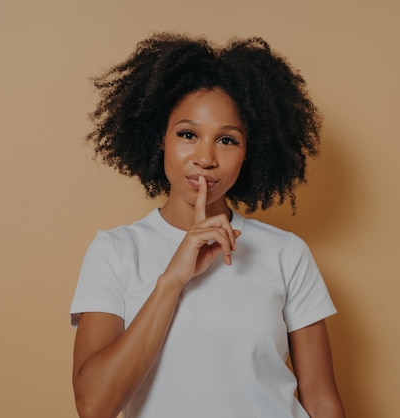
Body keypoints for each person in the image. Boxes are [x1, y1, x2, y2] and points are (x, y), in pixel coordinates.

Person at [70, 32, 345, 418]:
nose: (205, 157)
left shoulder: (286, 252)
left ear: (251, 152)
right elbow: (94, 405)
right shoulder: (115, 251)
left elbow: (320, 400)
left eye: (227, 140)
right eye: (187, 134)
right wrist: (173, 279)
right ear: (159, 139)